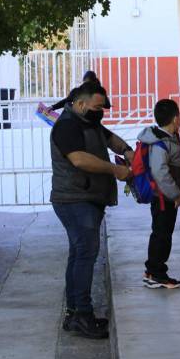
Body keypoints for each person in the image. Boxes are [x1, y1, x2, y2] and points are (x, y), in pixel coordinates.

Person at [50, 82, 133, 338]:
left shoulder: (88, 122)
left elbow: (109, 139)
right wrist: (115, 170)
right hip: (74, 199)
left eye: (102, 108)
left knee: (79, 254)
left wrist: (128, 151)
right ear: (80, 103)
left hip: (87, 198)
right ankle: (82, 315)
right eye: (97, 107)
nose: (100, 112)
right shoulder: (67, 126)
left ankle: (75, 313)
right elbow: (79, 159)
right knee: (86, 253)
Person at [136, 99, 180, 289]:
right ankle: (157, 273)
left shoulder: (165, 138)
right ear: (175, 119)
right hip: (164, 198)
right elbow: (160, 173)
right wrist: (175, 194)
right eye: (179, 116)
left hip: (164, 197)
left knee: (160, 232)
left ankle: (152, 271)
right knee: (162, 234)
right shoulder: (161, 143)